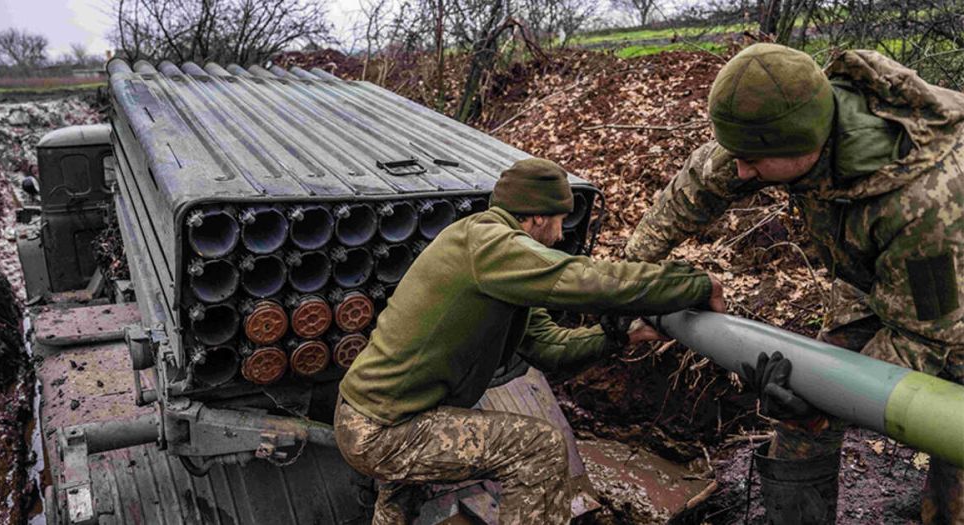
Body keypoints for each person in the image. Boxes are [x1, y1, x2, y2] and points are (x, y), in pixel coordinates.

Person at [624, 43, 963, 524]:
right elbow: (698, 185)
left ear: (806, 146)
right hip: (871, 281)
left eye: (753, 160)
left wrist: (825, 398)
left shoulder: (927, 203)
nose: (742, 171)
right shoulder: (784, 121)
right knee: (801, 421)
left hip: (949, 302)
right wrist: (628, 274)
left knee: (954, 451)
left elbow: (925, 338)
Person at [334, 157, 725, 524]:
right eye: (559, 222)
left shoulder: (498, 262)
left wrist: (621, 334)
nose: (558, 236)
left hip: (379, 415)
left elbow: (549, 348)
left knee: (400, 506)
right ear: (537, 217)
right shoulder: (492, 245)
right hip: (384, 428)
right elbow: (587, 280)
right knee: (539, 447)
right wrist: (691, 284)